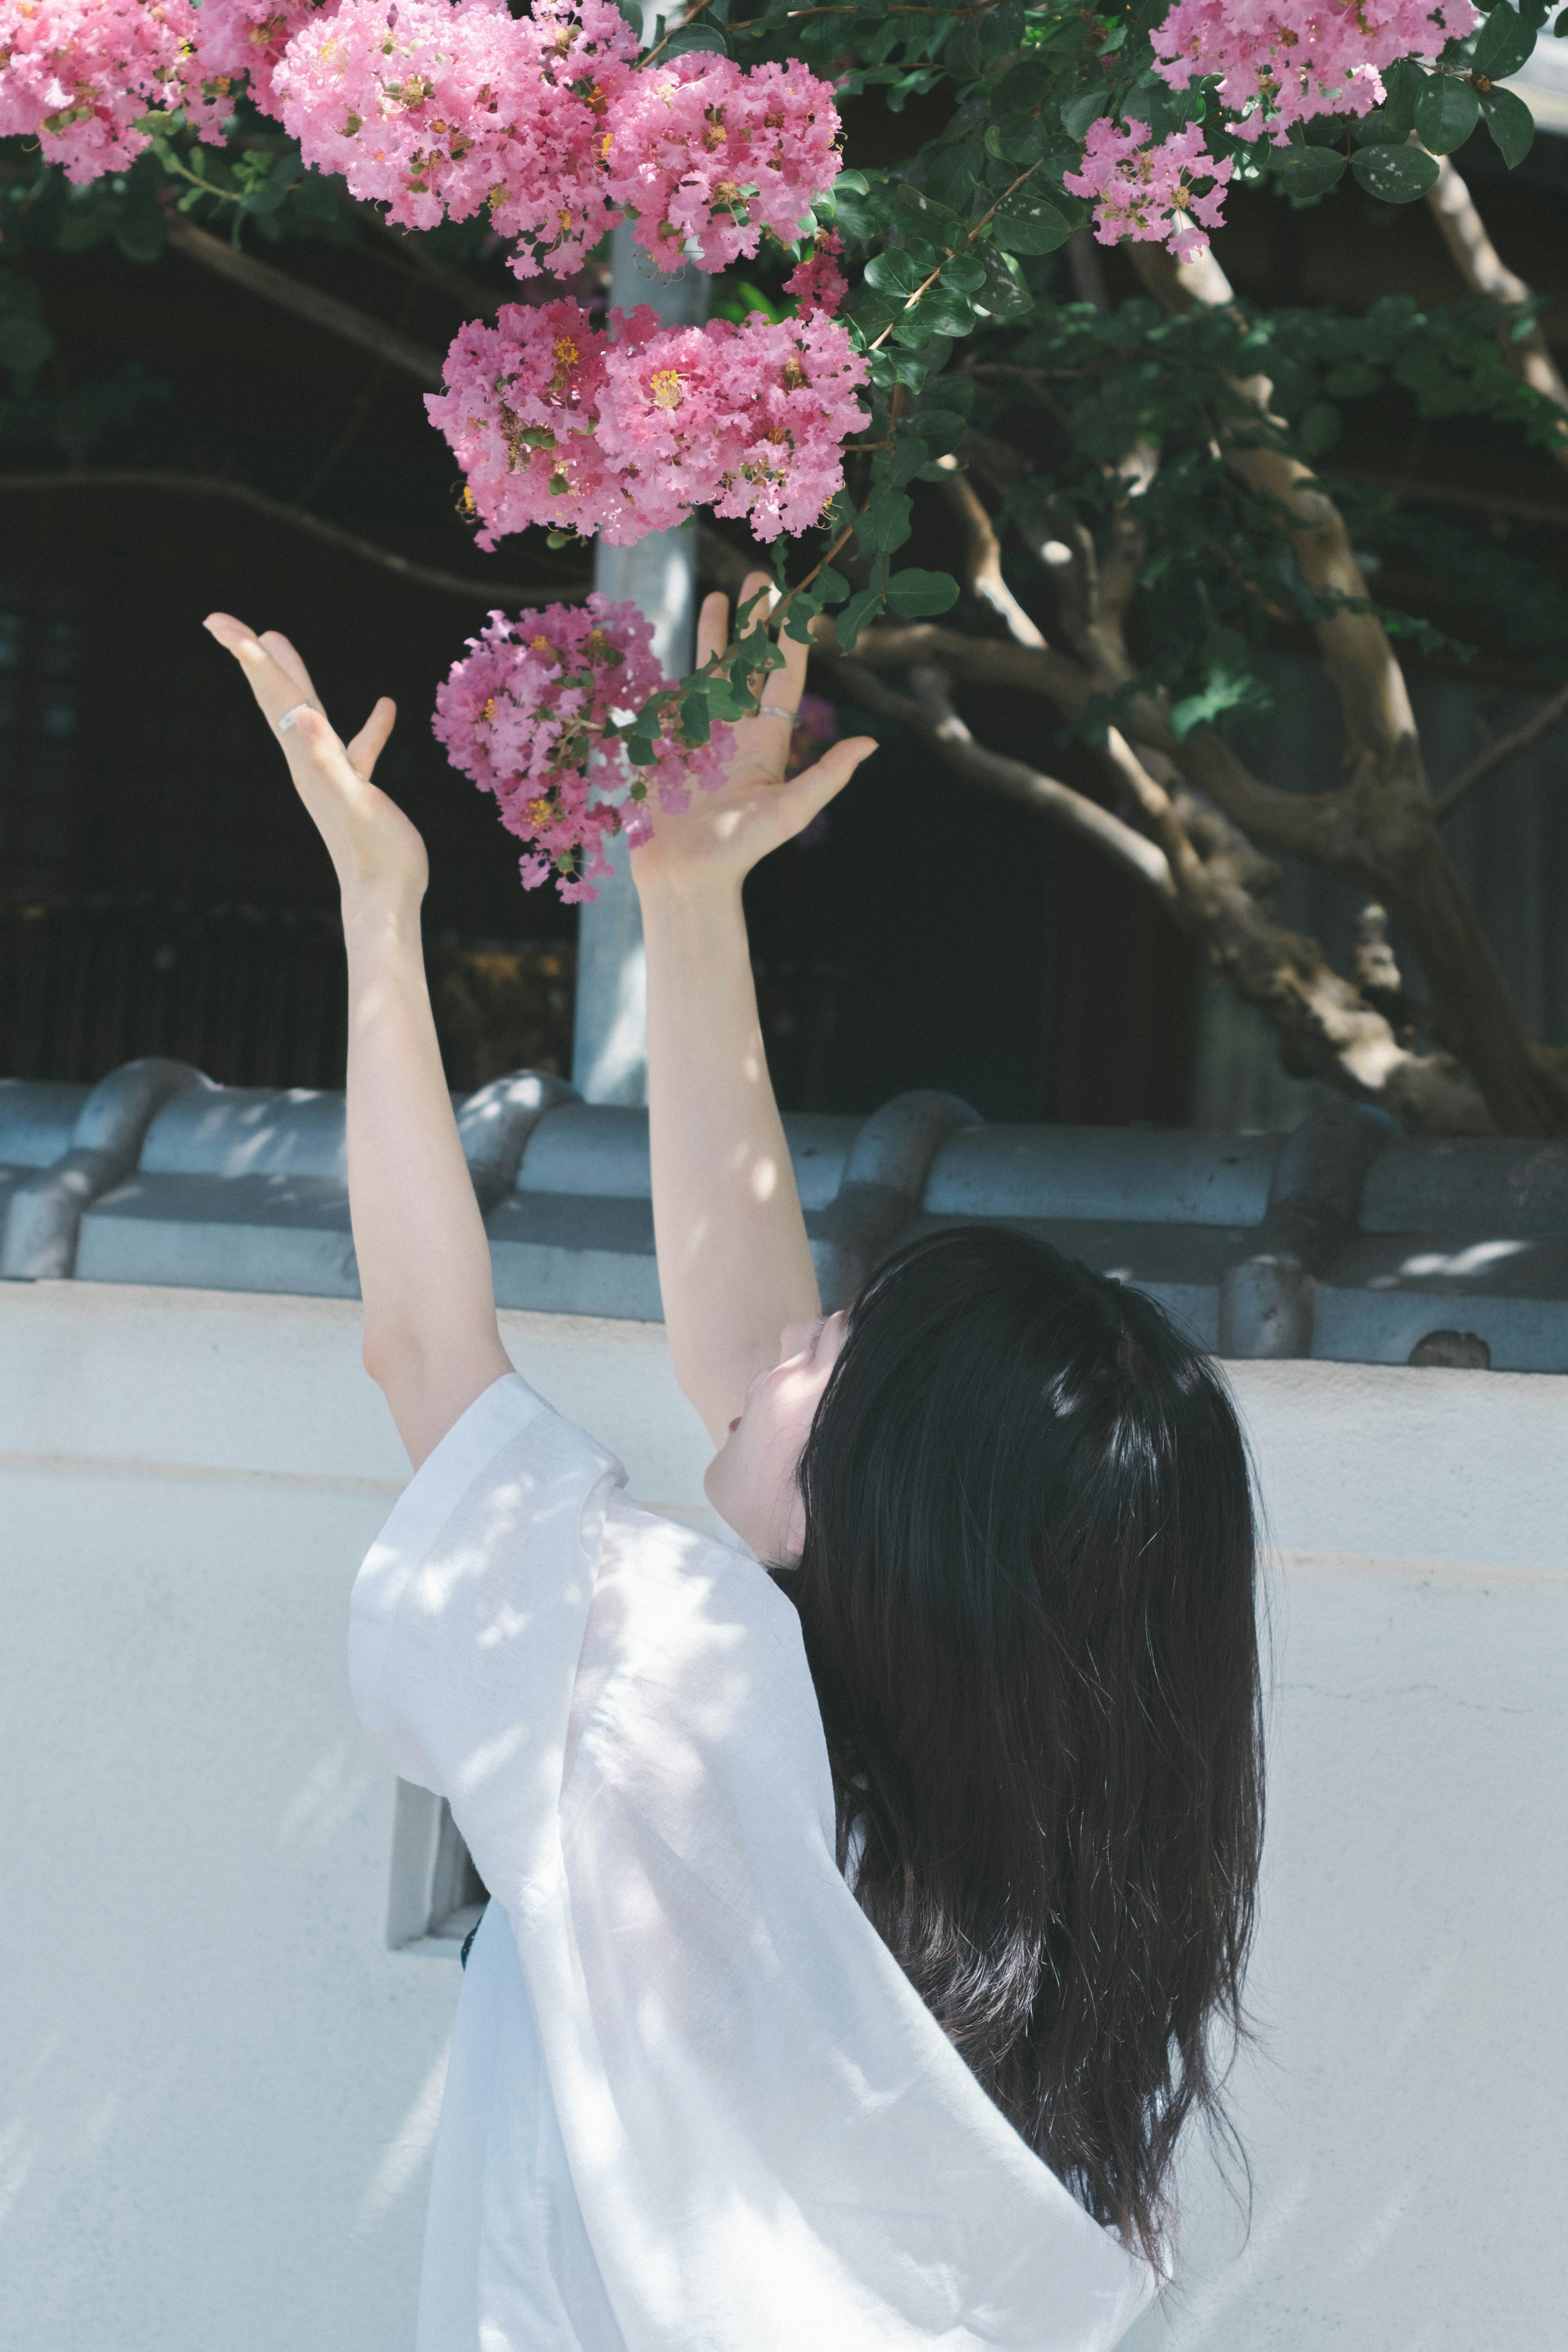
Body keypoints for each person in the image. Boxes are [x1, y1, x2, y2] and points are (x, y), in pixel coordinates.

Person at [204, 577, 1264, 2352]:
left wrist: (380, 917)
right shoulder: (1003, 1931)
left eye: (836, 1356)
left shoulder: (688, 1725)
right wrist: (689, 906)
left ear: (899, 1517)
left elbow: (424, 1351)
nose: (784, 1345)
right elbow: (747, 1375)